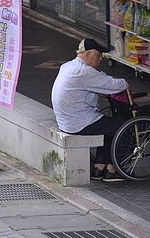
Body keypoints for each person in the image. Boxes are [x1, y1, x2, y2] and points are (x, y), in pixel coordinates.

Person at [51, 38, 129, 182]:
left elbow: (98, 81)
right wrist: (124, 82)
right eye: (98, 55)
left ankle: (99, 168)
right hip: (79, 123)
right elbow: (118, 85)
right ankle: (112, 169)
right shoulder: (83, 71)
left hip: (67, 121)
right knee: (124, 126)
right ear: (87, 54)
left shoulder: (67, 66)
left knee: (108, 125)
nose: (100, 59)